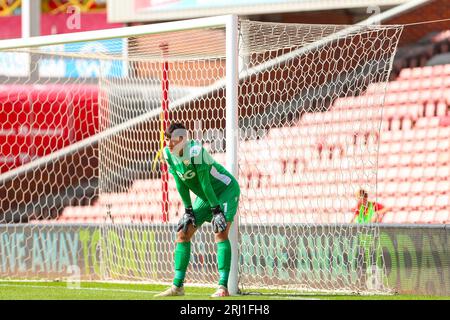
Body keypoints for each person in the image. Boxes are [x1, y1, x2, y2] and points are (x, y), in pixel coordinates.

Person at [155, 123, 240, 298]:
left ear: (182, 140)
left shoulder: (196, 152)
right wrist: (188, 210)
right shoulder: (167, 154)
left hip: (224, 191)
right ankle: (177, 287)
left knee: (220, 232)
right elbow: (180, 183)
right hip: (205, 196)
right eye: (167, 141)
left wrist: (216, 210)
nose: (168, 144)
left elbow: (205, 183)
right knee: (183, 234)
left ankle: (222, 288)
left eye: (171, 141)